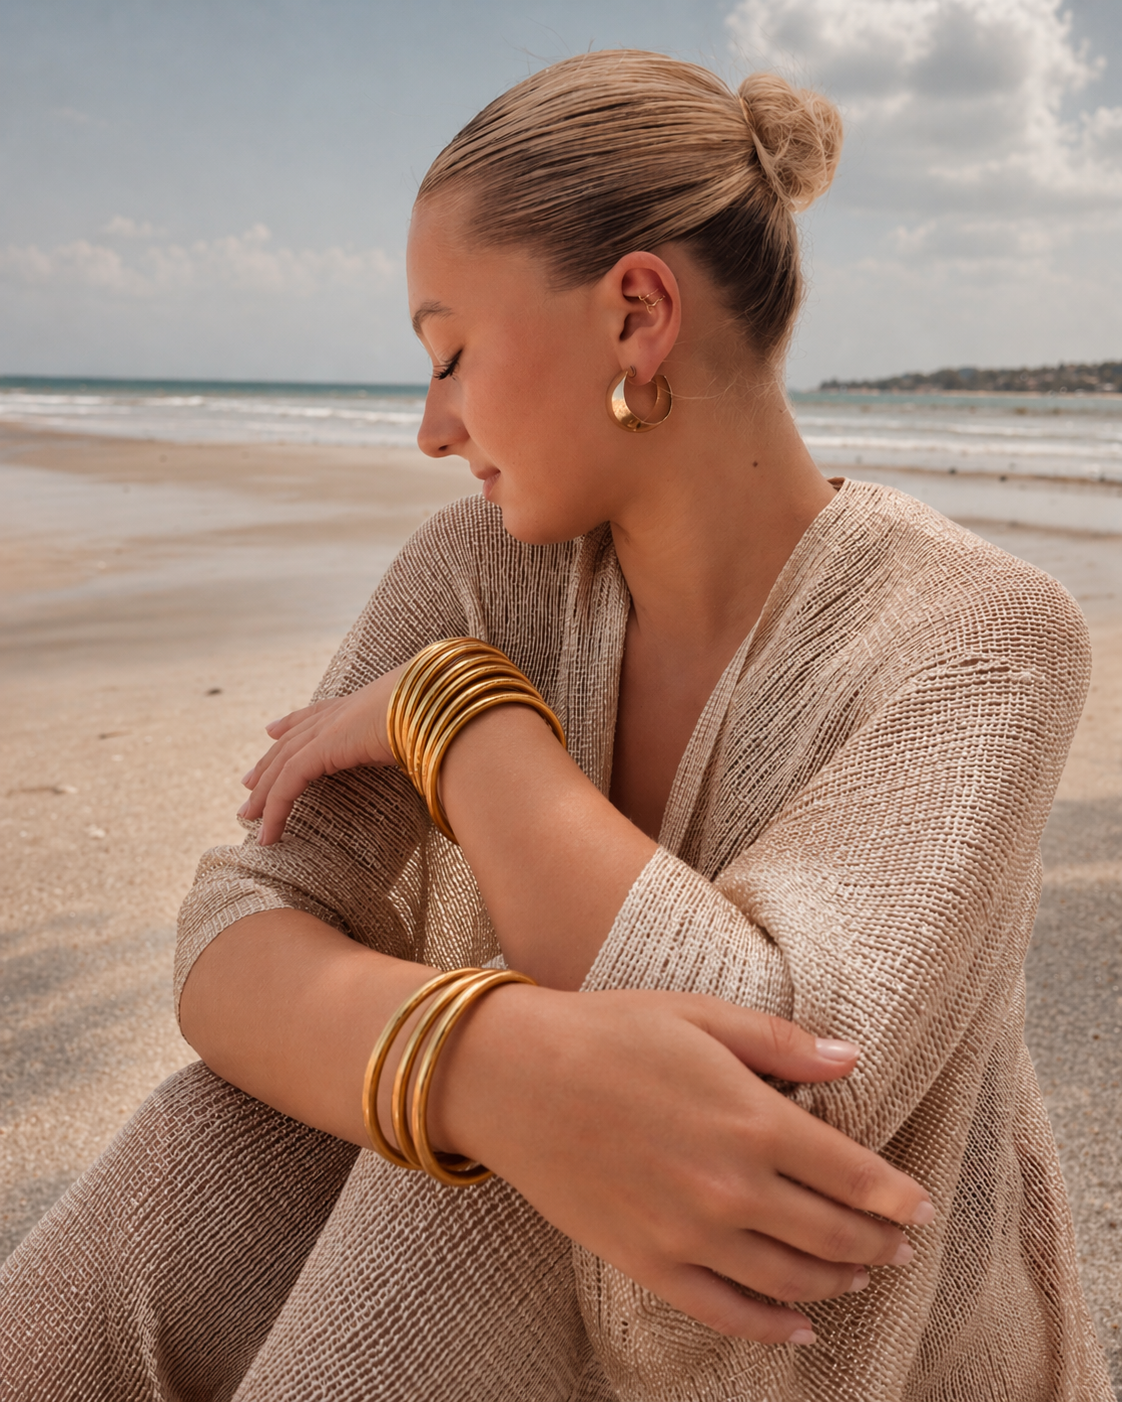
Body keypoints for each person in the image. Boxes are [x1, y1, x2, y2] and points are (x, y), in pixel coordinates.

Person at [0, 50, 1111, 1402]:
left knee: (522, 1130)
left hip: (822, 1353)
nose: (430, 427)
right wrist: (492, 1067)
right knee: (229, 1135)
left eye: (450, 354)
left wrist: (462, 722)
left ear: (637, 314)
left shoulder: (978, 634)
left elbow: (766, 1114)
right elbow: (233, 928)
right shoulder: (477, 570)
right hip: (535, 1288)